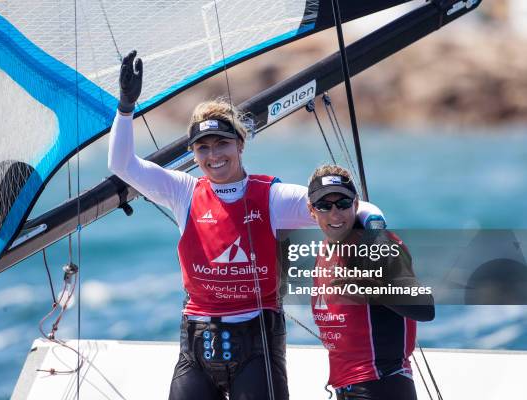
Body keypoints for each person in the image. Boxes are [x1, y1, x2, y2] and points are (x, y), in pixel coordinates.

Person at [108, 50, 386, 400]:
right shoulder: (183, 192)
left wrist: (374, 231)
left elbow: (351, 207)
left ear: (240, 144)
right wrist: (125, 107)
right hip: (196, 346)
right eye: (203, 148)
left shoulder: (273, 197)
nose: (213, 156)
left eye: (222, 144)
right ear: (194, 154)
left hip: (258, 347)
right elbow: (122, 164)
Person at [306, 164, 435, 400]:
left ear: (355, 204)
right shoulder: (325, 250)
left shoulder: (377, 246)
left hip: (383, 384)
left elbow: (425, 307)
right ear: (311, 210)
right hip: (347, 388)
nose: (335, 214)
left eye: (343, 204)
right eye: (324, 206)